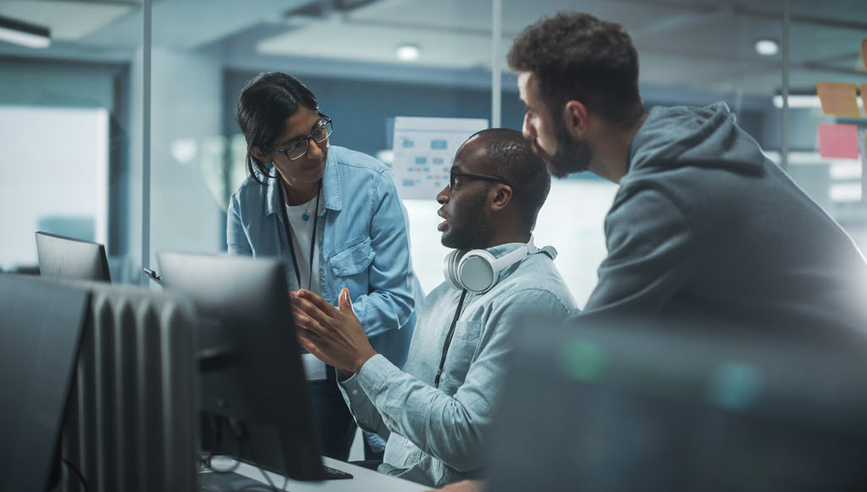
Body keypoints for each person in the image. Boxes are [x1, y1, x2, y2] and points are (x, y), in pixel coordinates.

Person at [430, 10, 867, 492]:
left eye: (533, 111)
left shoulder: (664, 191)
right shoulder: (687, 143)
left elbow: (590, 353)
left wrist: (501, 482)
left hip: (830, 424)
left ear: (575, 117)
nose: (527, 129)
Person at [290, 128, 576, 487]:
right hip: (392, 481)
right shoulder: (445, 293)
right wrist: (347, 364)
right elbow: (397, 426)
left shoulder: (532, 299)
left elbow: (465, 441)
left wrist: (365, 359)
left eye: (456, 182)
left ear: (500, 196)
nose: (442, 196)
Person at [227, 71, 424, 461]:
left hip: (380, 367)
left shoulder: (372, 183)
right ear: (262, 153)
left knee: (391, 473)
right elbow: (244, 303)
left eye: (318, 130)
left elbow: (398, 300)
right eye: (296, 145)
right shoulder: (245, 204)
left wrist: (314, 326)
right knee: (303, 474)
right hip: (306, 374)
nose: (316, 151)